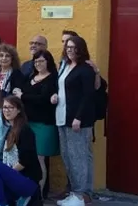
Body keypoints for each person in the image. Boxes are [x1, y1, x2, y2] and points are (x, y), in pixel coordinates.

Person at [52, 36, 97, 206]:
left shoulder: (85, 69)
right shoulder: (66, 66)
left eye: (73, 47)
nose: (70, 50)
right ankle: (75, 193)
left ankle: (80, 195)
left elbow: (88, 96)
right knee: (67, 156)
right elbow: (62, 88)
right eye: (68, 47)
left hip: (77, 120)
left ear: (81, 49)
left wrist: (79, 117)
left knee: (78, 158)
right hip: (62, 117)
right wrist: (55, 95)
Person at [0, 96, 42, 206]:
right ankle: (15, 200)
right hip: (12, 178)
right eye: (5, 107)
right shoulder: (9, 130)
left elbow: (25, 161)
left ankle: (2, 203)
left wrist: (4, 173)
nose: (7, 110)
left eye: (11, 107)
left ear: (18, 110)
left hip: (27, 181)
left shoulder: (25, 130)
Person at [14, 50, 59, 195]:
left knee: (40, 158)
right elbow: (21, 91)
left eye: (41, 61)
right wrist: (19, 92)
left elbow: (44, 99)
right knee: (29, 157)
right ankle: (29, 192)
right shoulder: (31, 77)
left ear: (48, 62)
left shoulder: (53, 78)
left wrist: (23, 96)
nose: (38, 64)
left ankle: (39, 194)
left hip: (44, 124)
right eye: (36, 61)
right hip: (28, 123)